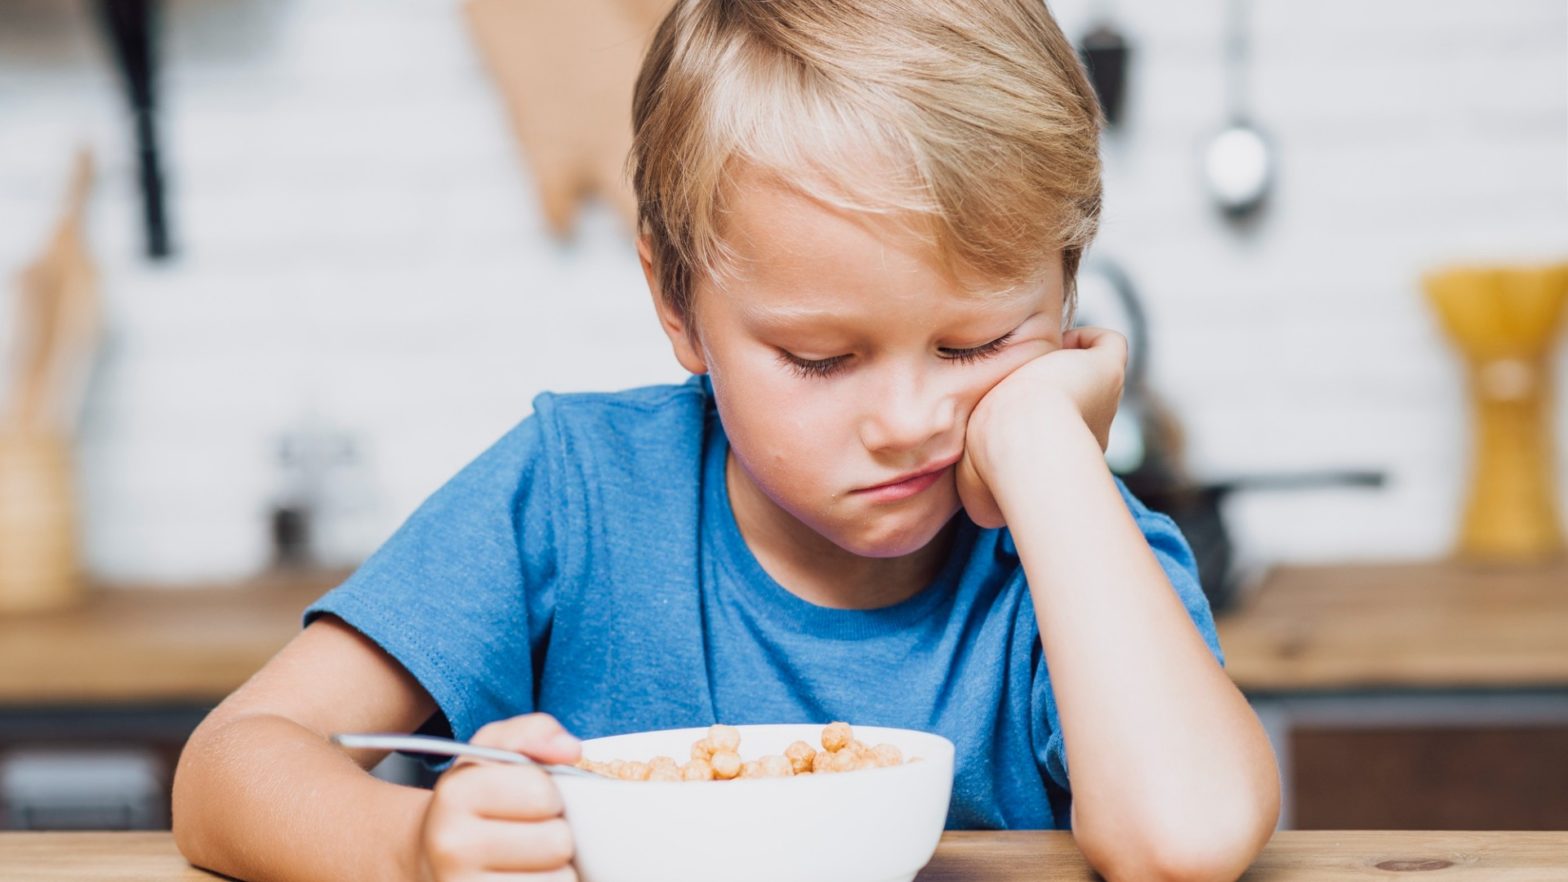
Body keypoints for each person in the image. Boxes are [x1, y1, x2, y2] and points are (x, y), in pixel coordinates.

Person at [172, 1, 1280, 880]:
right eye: (818, 359)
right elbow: (228, 769)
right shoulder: (578, 494)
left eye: (975, 343)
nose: (905, 424)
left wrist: (1043, 443)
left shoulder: (1079, 556)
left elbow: (1182, 840)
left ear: (1065, 291)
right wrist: (407, 849)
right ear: (674, 300)